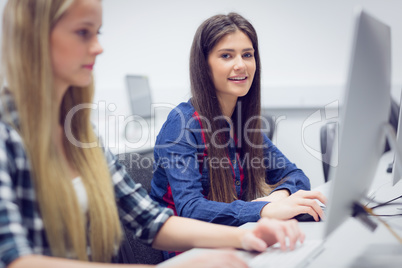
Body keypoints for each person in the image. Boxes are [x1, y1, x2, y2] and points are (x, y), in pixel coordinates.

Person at [0, 1, 306, 268]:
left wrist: (247, 233)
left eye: (98, 33)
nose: (98, 47)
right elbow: (16, 260)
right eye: (83, 32)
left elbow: (151, 221)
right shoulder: (7, 136)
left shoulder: (81, 133)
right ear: (34, 38)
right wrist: (260, 212)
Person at [150, 13, 326, 258]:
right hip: (190, 253)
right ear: (204, 65)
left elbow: (294, 175)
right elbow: (191, 209)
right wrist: (264, 210)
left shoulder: (241, 123)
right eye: (226, 55)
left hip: (236, 240)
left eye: (247, 54)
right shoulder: (181, 125)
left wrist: (278, 199)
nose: (241, 65)